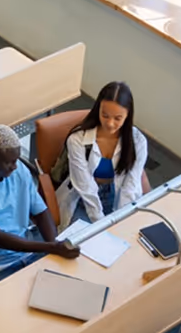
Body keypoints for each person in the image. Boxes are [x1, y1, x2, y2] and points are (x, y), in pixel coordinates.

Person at [0, 124, 79, 284]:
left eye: (16, 160)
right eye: (9, 162)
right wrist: (51, 248)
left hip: (28, 253)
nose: (15, 166)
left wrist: (54, 245)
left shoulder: (18, 171)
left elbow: (40, 211)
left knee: (70, 283)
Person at [52, 81, 149, 227]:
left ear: (128, 116)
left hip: (116, 193)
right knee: (85, 241)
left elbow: (130, 185)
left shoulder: (138, 141)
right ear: (98, 110)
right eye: (105, 115)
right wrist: (101, 223)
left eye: (117, 118)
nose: (110, 123)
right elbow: (85, 186)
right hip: (83, 198)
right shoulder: (77, 140)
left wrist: (122, 218)